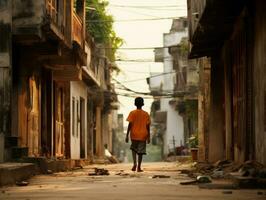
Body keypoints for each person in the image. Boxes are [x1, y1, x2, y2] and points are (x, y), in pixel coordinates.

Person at [125, 97, 150, 172]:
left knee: (134, 149)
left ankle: (134, 163)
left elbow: (130, 124)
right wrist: (149, 136)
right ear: (143, 104)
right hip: (143, 135)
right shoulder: (146, 114)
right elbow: (147, 126)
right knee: (140, 152)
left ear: (135, 104)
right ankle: (139, 167)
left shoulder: (132, 113)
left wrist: (127, 135)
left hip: (134, 134)